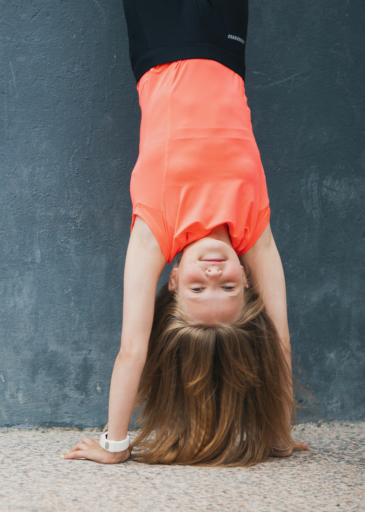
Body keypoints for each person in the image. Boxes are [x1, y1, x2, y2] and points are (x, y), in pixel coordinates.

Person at [65, 0, 309, 465]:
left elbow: (133, 347)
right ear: (247, 278)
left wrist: (114, 446)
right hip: (223, 42)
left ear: (173, 282)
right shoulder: (254, 228)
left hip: (160, 43)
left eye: (199, 287)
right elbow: (279, 339)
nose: (213, 271)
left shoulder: (155, 232)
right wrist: (278, 435)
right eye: (229, 285)